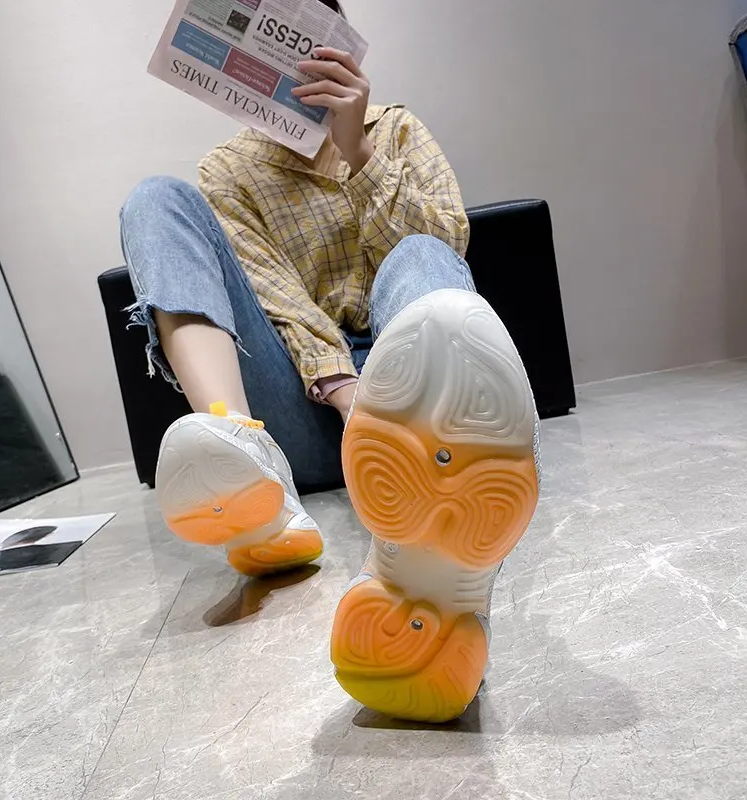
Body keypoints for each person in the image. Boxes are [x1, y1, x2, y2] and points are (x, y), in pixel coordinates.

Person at [120, 0, 540, 723]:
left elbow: (445, 252)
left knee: (418, 252)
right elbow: (279, 302)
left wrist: (359, 151)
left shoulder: (398, 129)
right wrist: (351, 398)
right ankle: (243, 452)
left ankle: (434, 532)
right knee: (154, 200)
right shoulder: (229, 172)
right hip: (309, 406)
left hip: (417, 399)